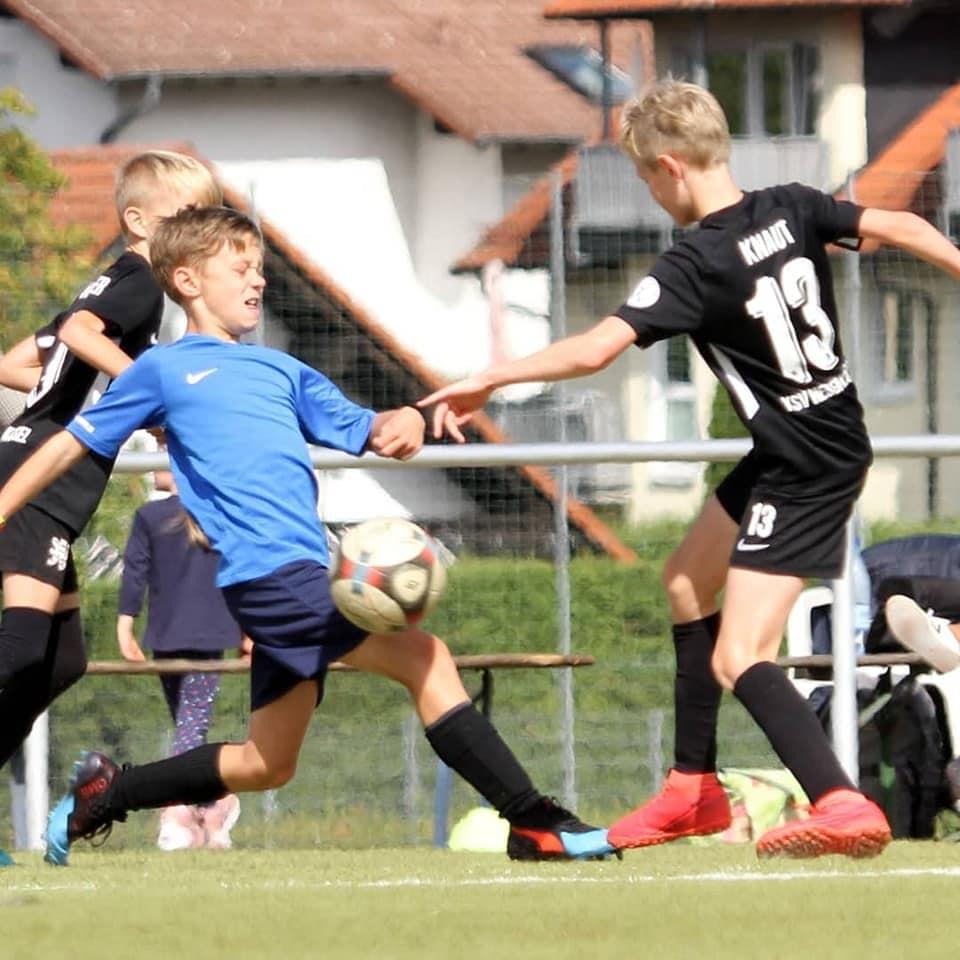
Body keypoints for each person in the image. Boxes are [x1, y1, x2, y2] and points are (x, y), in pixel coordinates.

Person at [419, 78, 960, 859]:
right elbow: (901, 222)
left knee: (740, 655)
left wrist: (489, 379)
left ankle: (841, 801)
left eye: (646, 177)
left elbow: (595, 349)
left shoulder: (694, 262)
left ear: (670, 166)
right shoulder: (792, 204)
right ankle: (692, 789)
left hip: (802, 466)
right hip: (809, 442)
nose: (649, 192)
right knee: (685, 581)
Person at [0, 205, 615, 866]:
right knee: (425, 658)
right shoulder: (160, 371)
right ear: (186, 281)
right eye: (240, 267)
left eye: (260, 268)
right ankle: (534, 821)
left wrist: (409, 418)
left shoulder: (282, 372)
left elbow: (372, 429)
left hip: (302, 574)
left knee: (266, 763)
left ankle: (104, 794)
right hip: (265, 581)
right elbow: (69, 444)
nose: (258, 280)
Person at [0, 150, 221, 865]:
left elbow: (21, 361)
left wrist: (110, 394)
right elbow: (77, 336)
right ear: (138, 222)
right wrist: (152, 392)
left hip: (42, 470)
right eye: (185, 215)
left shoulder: (114, 283)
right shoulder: (140, 283)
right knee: (22, 650)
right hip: (40, 475)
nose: (198, 229)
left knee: (62, 660)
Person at [117, 466, 251, 850]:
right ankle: (213, 803)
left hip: (204, 636)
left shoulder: (216, 513)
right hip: (171, 637)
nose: (152, 464)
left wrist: (248, 631)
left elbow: (240, 571)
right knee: (189, 724)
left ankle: (177, 809)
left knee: (191, 725)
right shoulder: (152, 515)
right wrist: (125, 627)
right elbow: (136, 570)